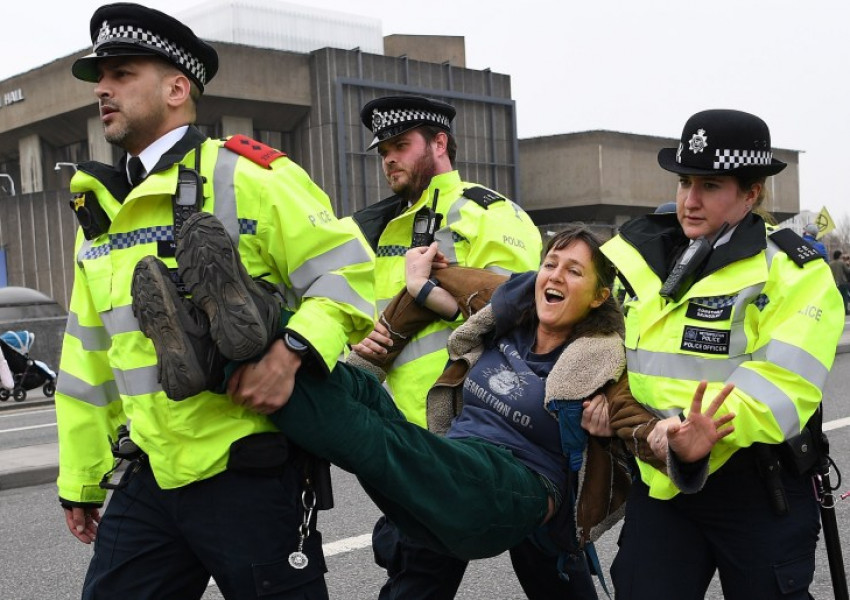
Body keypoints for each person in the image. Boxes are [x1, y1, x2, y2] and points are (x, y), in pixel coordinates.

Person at [139, 222, 733, 595]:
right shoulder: (506, 315)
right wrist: (411, 295)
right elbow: (449, 277)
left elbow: (640, 426)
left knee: (387, 444)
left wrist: (678, 443)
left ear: (599, 295)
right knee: (359, 390)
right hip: (456, 465)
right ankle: (231, 350)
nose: (554, 274)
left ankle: (230, 354)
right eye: (550, 262)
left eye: (573, 270)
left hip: (512, 489)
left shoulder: (599, 366)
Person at [55, 4, 375, 599]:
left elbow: (349, 274)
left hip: (246, 469)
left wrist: (292, 353)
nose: (103, 89)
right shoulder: (97, 212)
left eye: (122, 74)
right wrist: (80, 478)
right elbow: (86, 357)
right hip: (150, 473)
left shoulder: (247, 174)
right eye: (101, 78)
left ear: (177, 88)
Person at [601, 109, 844, 599]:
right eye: (685, 181)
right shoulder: (640, 255)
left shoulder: (795, 272)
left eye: (710, 186)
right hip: (663, 478)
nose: (690, 200)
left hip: (757, 484)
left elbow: (785, 384)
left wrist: (706, 434)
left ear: (751, 193)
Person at [350, 95, 544, 598]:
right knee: (416, 576)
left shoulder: (488, 212)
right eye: (383, 150)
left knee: (550, 569)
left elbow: (522, 306)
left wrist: (425, 292)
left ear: (439, 144)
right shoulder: (379, 227)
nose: (389, 158)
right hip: (418, 431)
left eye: (400, 145)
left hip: (501, 428)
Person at [829, 249, 850, 314]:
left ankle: (835, 310)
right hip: (842, 283)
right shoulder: (841, 263)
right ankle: (845, 310)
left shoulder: (830, 264)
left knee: (835, 297)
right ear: (839, 256)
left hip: (833, 283)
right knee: (844, 297)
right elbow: (847, 271)